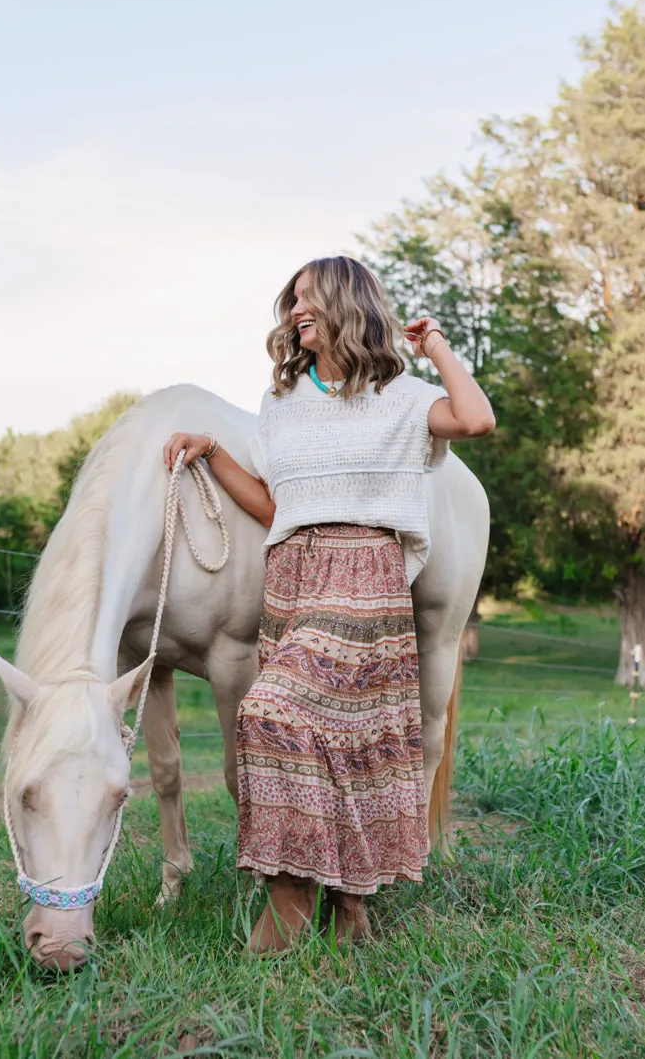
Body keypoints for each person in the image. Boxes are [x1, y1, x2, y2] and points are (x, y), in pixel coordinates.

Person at [163, 256, 494, 954]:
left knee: (268, 711)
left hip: (364, 574)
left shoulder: (401, 399)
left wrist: (431, 344)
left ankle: (287, 898)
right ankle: (349, 905)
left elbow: (474, 419)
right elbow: (278, 505)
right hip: (290, 580)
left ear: (350, 304)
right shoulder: (280, 404)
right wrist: (214, 452)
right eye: (291, 300)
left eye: (309, 298)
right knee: (341, 744)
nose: (295, 310)